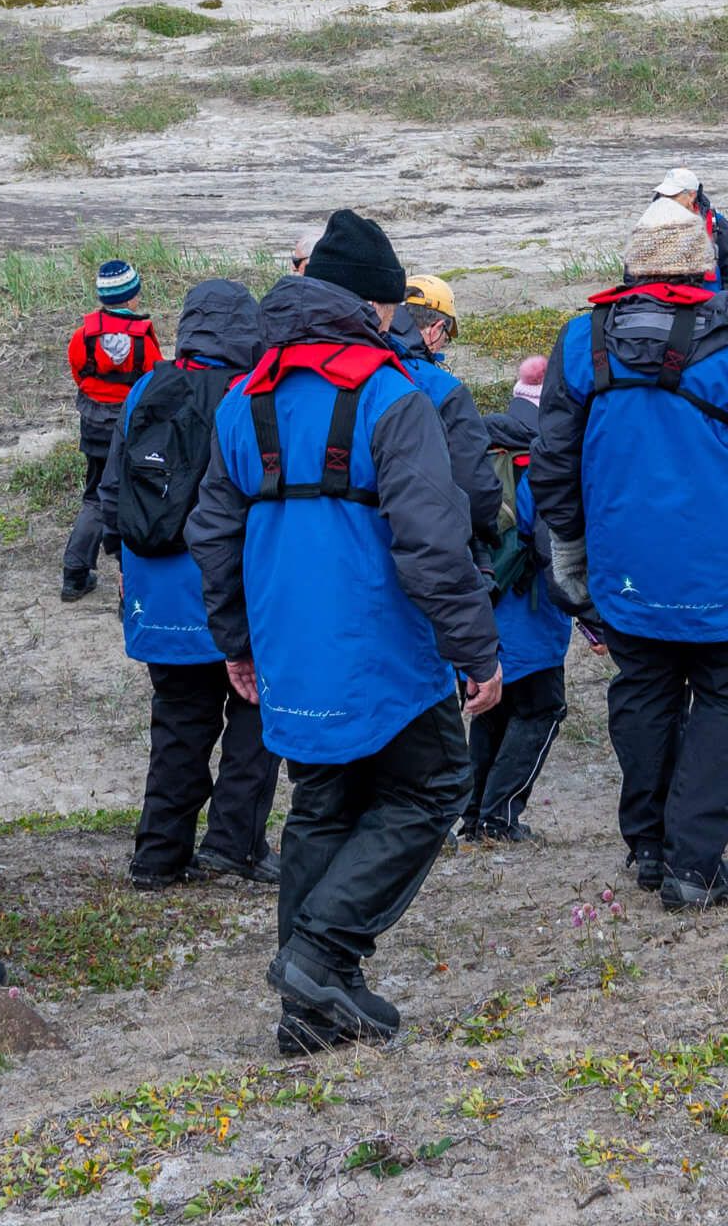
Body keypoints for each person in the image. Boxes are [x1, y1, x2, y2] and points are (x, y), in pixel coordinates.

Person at [188, 208, 501, 1054]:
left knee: (323, 804)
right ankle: (322, 957)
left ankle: (310, 1008)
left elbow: (211, 534)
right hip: (386, 648)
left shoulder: (245, 396)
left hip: (289, 642)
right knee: (432, 787)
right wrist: (477, 650)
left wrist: (237, 640)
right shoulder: (393, 396)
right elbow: (433, 541)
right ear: (377, 306)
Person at [532, 198, 728, 912]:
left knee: (644, 695)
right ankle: (693, 864)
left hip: (626, 570)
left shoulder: (581, 342)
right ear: (706, 265)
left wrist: (570, 558)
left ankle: (649, 848)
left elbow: (553, 467)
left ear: (629, 266)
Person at [98, 278, 281, 891]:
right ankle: (235, 843)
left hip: (156, 595)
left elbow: (111, 491)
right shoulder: (249, 396)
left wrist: (123, 565)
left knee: (178, 725)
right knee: (259, 712)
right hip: (228, 591)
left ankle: (157, 858)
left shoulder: (146, 385)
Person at [463, 354, 571, 843]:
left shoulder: (479, 452)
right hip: (531, 615)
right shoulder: (545, 460)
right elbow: (552, 548)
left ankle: (472, 814)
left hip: (483, 609)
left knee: (492, 709)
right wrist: (591, 620)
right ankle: (499, 816)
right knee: (542, 708)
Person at [63, 259, 162, 603]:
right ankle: (127, 593)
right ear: (133, 298)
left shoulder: (83, 335)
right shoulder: (144, 340)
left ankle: (74, 575)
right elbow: (154, 383)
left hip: (93, 425)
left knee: (93, 498)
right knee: (129, 503)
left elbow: (78, 372)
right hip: (131, 430)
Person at [387, 275, 503, 544]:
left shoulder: (361, 362)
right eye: (445, 339)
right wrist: (487, 534)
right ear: (436, 328)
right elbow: (475, 484)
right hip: (424, 530)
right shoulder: (442, 387)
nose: (441, 347)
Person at [654, 167, 728, 294]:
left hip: (708, 306)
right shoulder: (649, 224)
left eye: (672, 196)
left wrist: (722, 306)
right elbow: (632, 274)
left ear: (692, 195)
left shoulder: (717, 223)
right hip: (662, 305)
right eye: (663, 195)